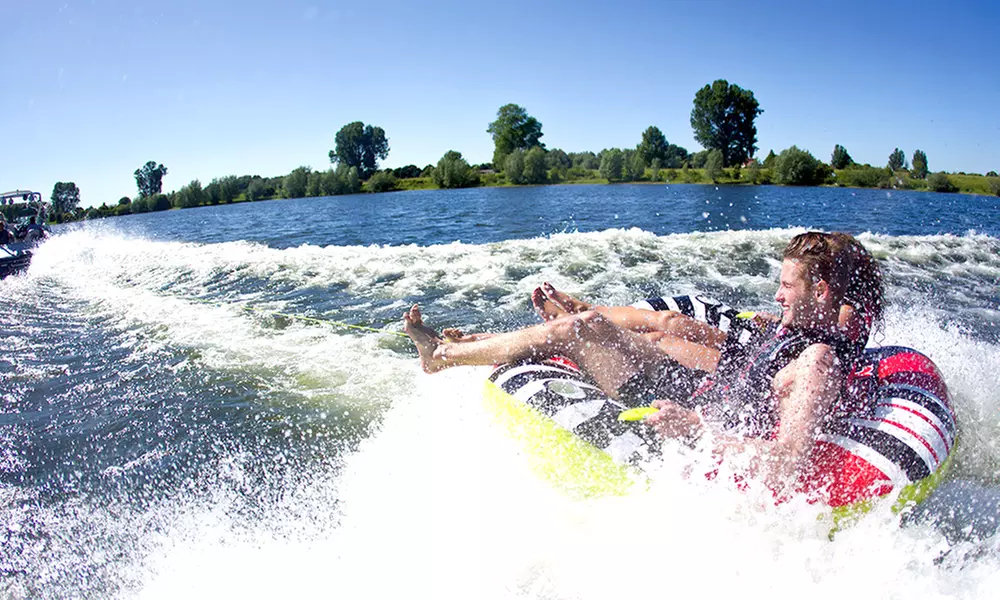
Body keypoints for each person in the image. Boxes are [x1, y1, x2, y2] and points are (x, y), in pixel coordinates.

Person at [403, 232, 885, 492]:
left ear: (819, 292)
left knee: (580, 330)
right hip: (699, 389)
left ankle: (442, 356)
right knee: (595, 325)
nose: (776, 295)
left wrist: (698, 431)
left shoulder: (817, 360)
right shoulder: (798, 327)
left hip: (687, 413)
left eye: (787, 287)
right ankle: (481, 344)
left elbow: (786, 465)